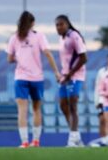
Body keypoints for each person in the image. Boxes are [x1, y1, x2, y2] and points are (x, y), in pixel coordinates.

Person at [7, 11, 60, 148]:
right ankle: (35, 141)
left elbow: (9, 59)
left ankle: (24, 142)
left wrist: (18, 57)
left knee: (22, 111)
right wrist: (56, 72)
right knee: (37, 109)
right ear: (32, 23)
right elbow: (47, 53)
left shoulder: (14, 38)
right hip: (37, 78)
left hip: (21, 78)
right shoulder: (39, 36)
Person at [56, 14, 88, 147]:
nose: (59, 27)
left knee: (72, 104)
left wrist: (71, 73)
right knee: (63, 105)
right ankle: (77, 138)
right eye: (57, 25)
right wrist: (63, 74)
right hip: (66, 76)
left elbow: (84, 58)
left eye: (61, 24)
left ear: (67, 24)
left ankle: (72, 139)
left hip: (76, 76)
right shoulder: (62, 38)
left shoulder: (74, 36)